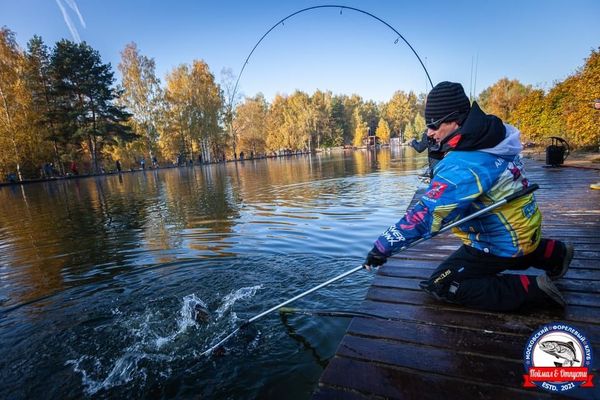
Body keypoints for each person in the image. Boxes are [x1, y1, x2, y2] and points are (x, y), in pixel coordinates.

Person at [364, 81, 573, 312]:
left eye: (433, 125)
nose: (429, 133)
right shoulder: (494, 134)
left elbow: (427, 216)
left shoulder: (463, 165)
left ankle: (536, 292)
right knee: (507, 250)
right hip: (525, 227)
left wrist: (382, 248)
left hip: (500, 242)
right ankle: (555, 253)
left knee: (442, 284)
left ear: (455, 121)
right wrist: (444, 149)